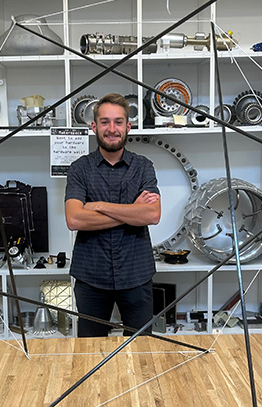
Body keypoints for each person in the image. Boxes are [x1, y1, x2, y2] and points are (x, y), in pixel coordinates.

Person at [64, 93, 161, 337]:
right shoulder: (79, 169)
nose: (112, 129)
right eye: (105, 122)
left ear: (128, 127)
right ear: (94, 126)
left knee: (141, 352)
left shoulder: (143, 166)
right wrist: (131, 210)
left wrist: (96, 206)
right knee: (90, 350)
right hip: (90, 278)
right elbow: (74, 219)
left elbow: (152, 214)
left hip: (136, 274)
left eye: (118, 122)